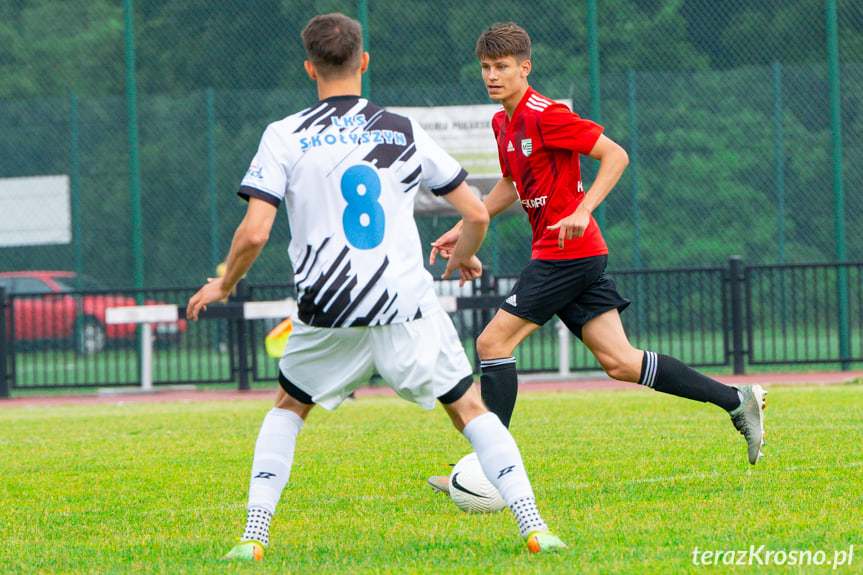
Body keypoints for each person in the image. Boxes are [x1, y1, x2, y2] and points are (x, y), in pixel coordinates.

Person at [186, 13, 567, 561]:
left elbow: (255, 231)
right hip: (404, 303)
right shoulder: (401, 129)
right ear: (364, 62)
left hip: (327, 308)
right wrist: (464, 255)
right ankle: (534, 526)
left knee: (288, 407)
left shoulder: (284, 135)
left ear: (309, 68)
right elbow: (476, 212)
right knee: (467, 408)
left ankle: (253, 536)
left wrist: (224, 282)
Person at [426, 22, 767, 491]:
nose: (492, 76)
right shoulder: (502, 122)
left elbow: (616, 155)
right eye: (486, 68)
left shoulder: (547, 114)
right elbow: (510, 184)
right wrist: (464, 224)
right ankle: (736, 399)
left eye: (502, 67)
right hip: (574, 255)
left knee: (491, 345)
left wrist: (583, 210)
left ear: (525, 68)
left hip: (566, 254)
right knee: (622, 362)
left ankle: (492, 471)